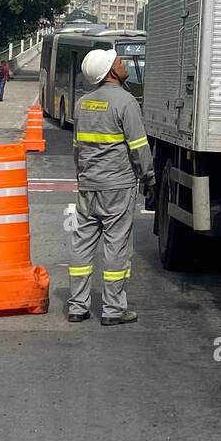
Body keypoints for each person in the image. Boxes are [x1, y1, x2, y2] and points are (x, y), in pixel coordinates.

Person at [68, 47, 154, 326]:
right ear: (110, 72)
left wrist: (82, 177)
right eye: (118, 61)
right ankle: (113, 310)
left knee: (82, 244)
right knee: (116, 246)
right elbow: (139, 147)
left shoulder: (82, 103)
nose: (124, 63)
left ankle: (77, 307)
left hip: (88, 184)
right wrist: (149, 177)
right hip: (117, 185)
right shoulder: (126, 102)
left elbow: (76, 148)